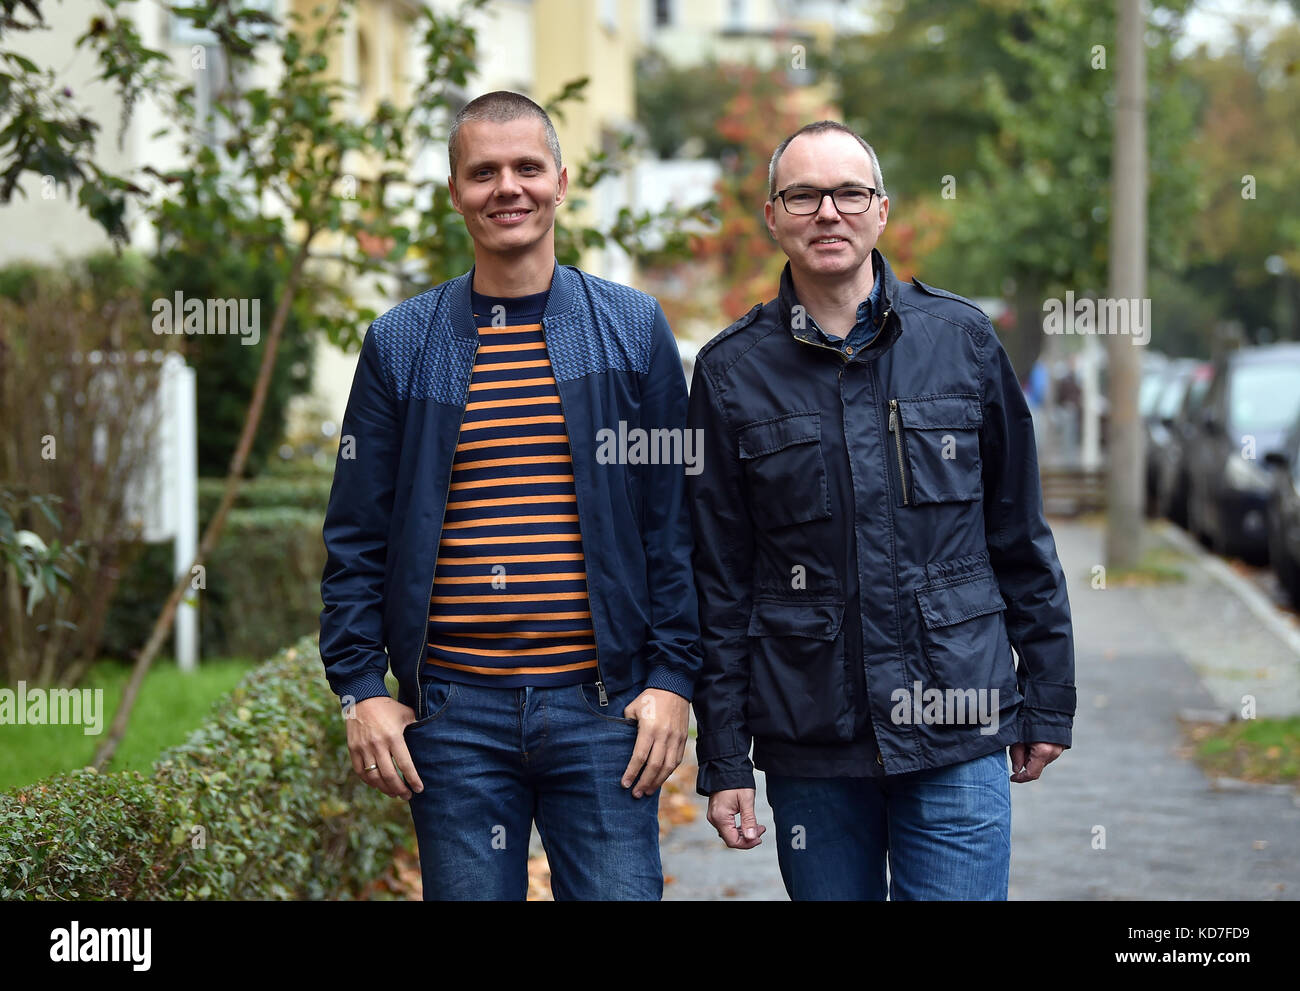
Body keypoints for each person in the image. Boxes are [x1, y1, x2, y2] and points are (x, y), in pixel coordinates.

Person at [319, 91, 701, 900]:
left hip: (605, 714)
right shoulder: (402, 342)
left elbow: (675, 526)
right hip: (453, 719)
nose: (508, 187)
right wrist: (359, 688)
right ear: (454, 192)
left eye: (527, 167)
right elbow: (357, 532)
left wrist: (672, 679)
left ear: (561, 180)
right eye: (483, 171)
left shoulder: (633, 330)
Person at [687, 121, 1076, 900]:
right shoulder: (730, 373)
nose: (827, 212)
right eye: (803, 195)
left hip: (958, 724)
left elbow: (1019, 534)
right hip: (811, 741)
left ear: (881, 210)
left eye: (848, 193)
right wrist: (724, 758)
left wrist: (1048, 699)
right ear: (773, 215)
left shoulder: (962, 340)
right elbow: (718, 580)